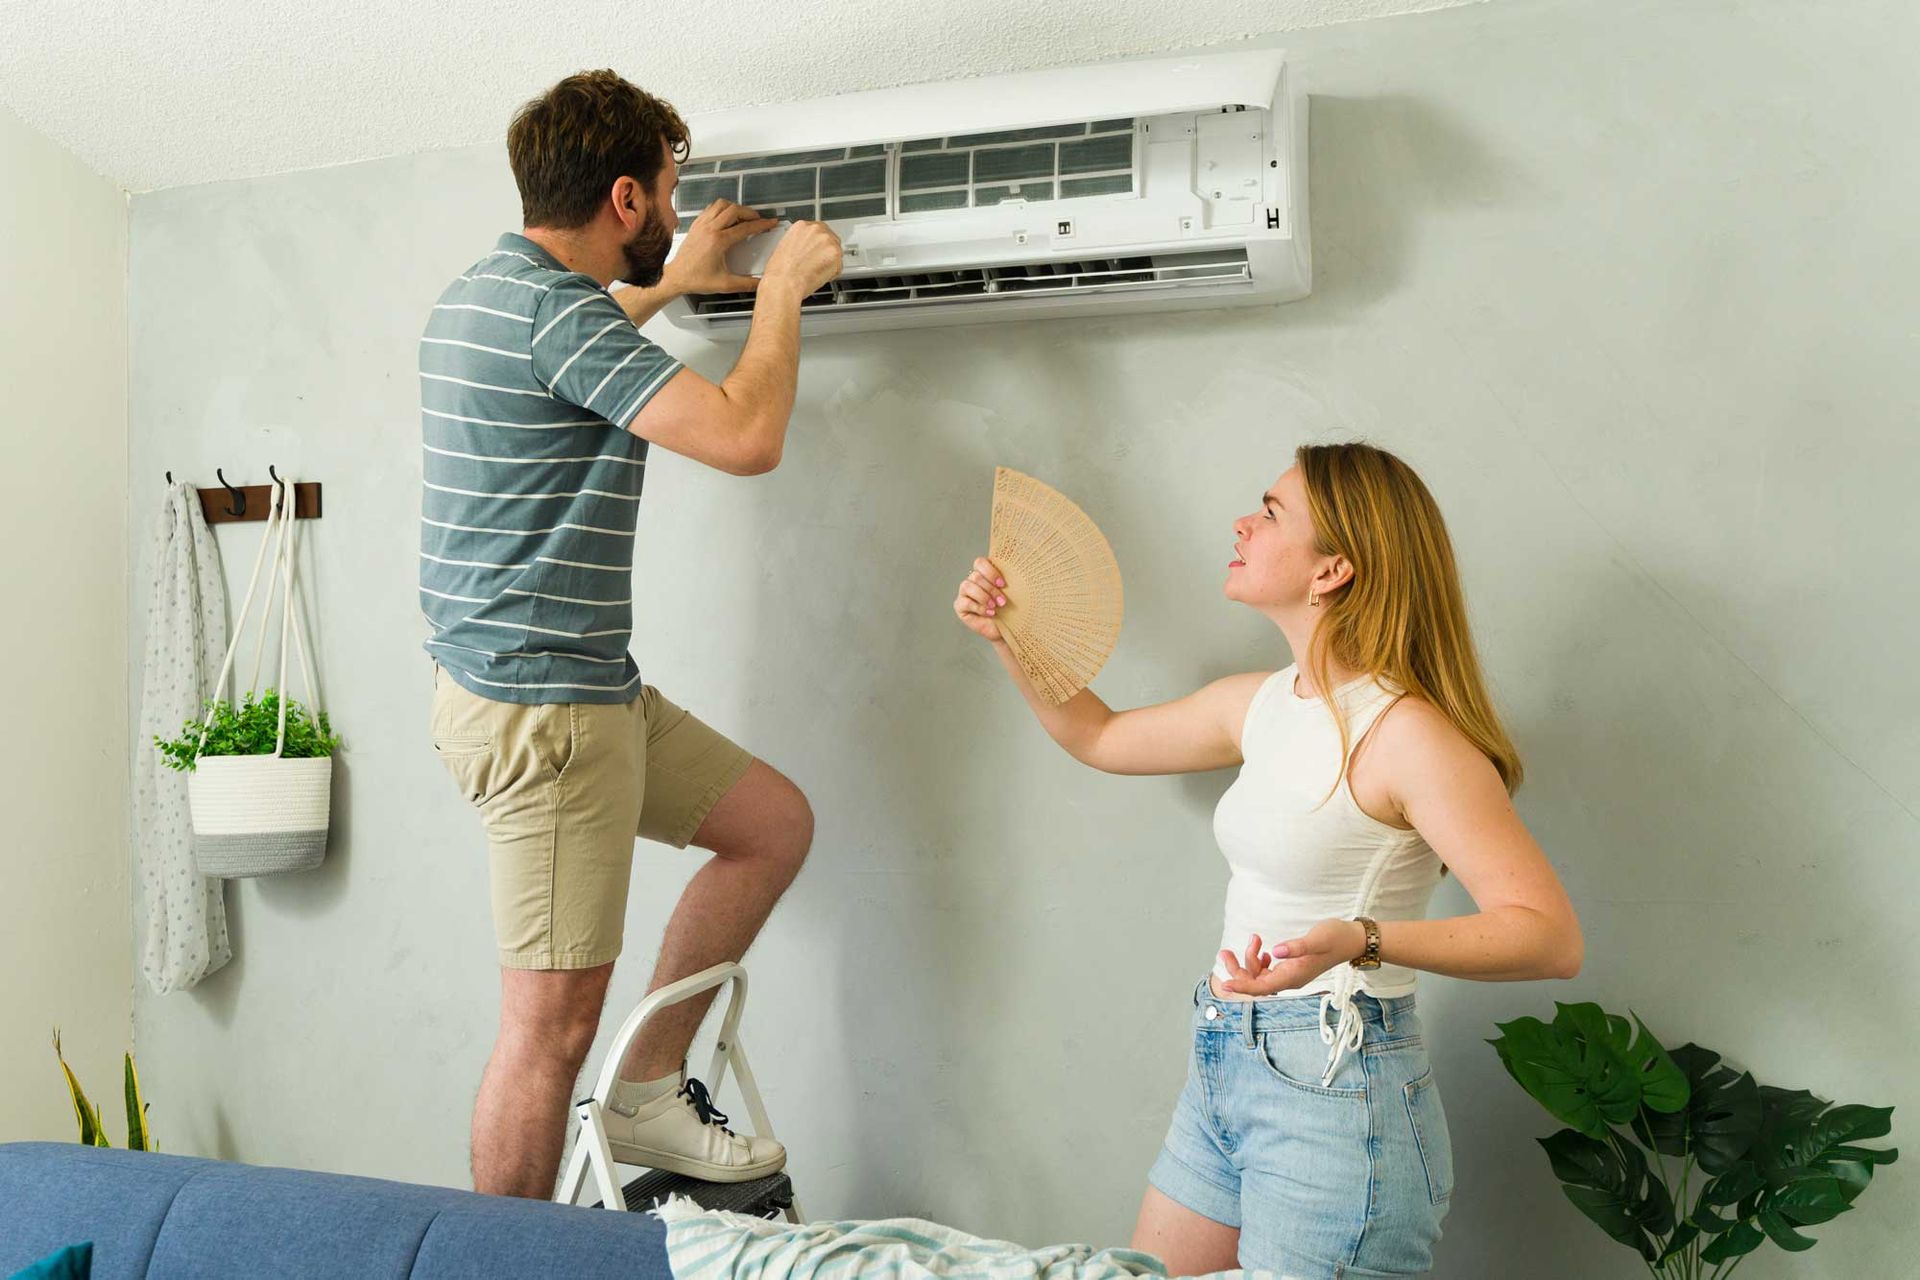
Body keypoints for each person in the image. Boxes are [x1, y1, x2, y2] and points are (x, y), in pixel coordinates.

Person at [951, 442, 1584, 1277]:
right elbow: (1100, 736)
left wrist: (1359, 938)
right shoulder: (1261, 704)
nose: (1243, 523)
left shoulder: (1411, 737)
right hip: (1225, 1064)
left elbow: (1548, 937)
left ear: (1332, 571)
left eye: (1272, 512)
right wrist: (1013, 634)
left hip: (1340, 1093)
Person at [419, 69, 843, 1198]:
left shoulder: (487, 295)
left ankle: (650, 1091)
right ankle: (494, 1262)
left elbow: (572, 351)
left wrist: (674, 284)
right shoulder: (555, 313)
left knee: (771, 824)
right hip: (549, 718)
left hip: (574, 691)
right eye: (663, 196)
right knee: (548, 1033)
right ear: (622, 200)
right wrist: (782, 289)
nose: (669, 213)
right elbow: (748, 437)